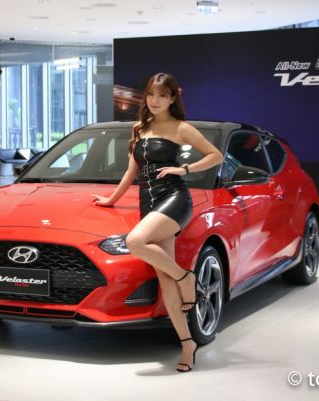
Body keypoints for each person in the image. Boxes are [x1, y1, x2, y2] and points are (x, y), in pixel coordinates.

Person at [92, 73, 223, 372]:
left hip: (174, 198)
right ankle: (187, 344)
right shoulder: (140, 127)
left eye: (162, 95)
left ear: (173, 98)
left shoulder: (181, 128)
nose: (155, 100)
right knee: (165, 281)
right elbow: (131, 171)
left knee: (135, 241)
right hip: (148, 203)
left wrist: (184, 169)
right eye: (151, 94)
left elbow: (215, 155)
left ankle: (186, 277)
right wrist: (111, 199)